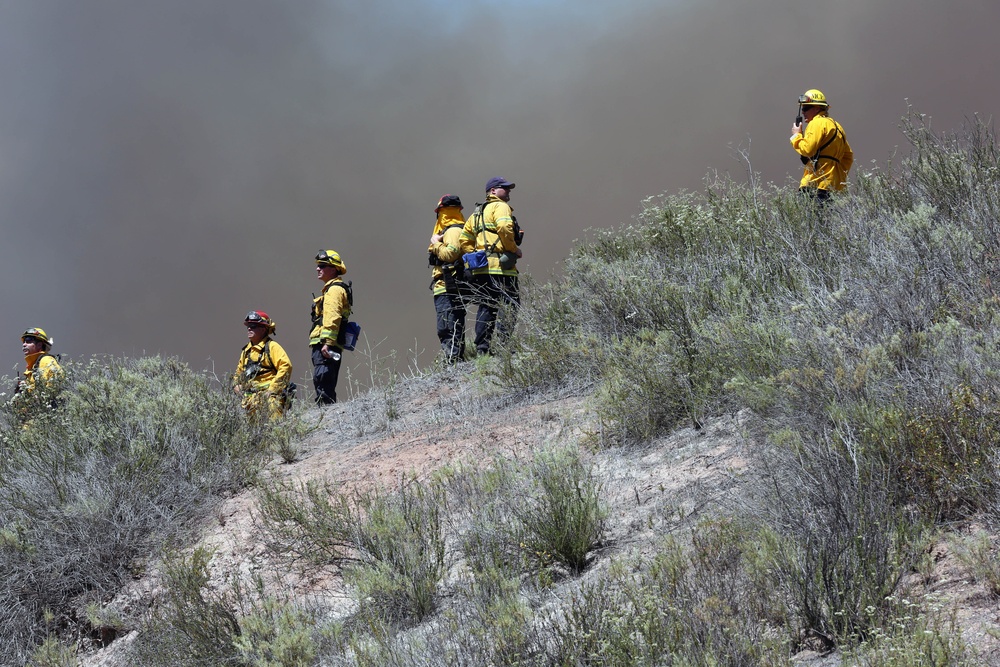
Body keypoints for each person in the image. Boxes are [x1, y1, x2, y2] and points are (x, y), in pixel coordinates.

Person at [460, 176, 523, 355]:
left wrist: (477, 254)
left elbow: (464, 240)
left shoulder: (476, 213)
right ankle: (504, 347)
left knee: (487, 306)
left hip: (483, 269)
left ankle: (482, 349)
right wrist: (513, 249)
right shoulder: (500, 206)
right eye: (505, 188)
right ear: (493, 191)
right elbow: (504, 227)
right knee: (510, 304)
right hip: (503, 268)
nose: (509, 191)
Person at [790, 89, 854, 201]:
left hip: (814, 185)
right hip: (833, 188)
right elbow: (848, 157)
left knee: (808, 217)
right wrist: (838, 178)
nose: (803, 112)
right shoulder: (838, 127)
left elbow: (807, 149)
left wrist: (797, 135)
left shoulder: (816, 123)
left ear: (817, 108)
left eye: (806, 108)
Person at [428, 194, 468, 363]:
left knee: (447, 326)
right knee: (451, 325)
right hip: (448, 285)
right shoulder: (457, 229)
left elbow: (450, 254)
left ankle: (453, 362)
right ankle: (455, 360)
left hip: (448, 286)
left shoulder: (452, 231)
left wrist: (436, 244)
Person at [310, 249, 352, 404]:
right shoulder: (332, 289)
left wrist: (327, 343)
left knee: (323, 381)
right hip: (325, 344)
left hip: (326, 346)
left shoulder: (334, 290)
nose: (318, 268)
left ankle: (325, 415)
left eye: (322, 265)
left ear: (334, 268)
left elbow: (332, 317)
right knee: (322, 380)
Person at [234, 310, 293, 420]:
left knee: (274, 430)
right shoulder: (246, 352)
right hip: (250, 402)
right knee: (255, 434)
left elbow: (286, 366)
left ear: (263, 329)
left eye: (253, 326)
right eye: (248, 326)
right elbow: (238, 373)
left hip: (271, 400)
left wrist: (272, 390)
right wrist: (236, 386)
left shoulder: (272, 347)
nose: (249, 328)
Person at [16, 327, 61, 397]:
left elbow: (57, 380)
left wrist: (43, 399)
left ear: (39, 345)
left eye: (28, 341)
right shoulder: (31, 366)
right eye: (24, 341)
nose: (24, 344)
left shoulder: (46, 360)